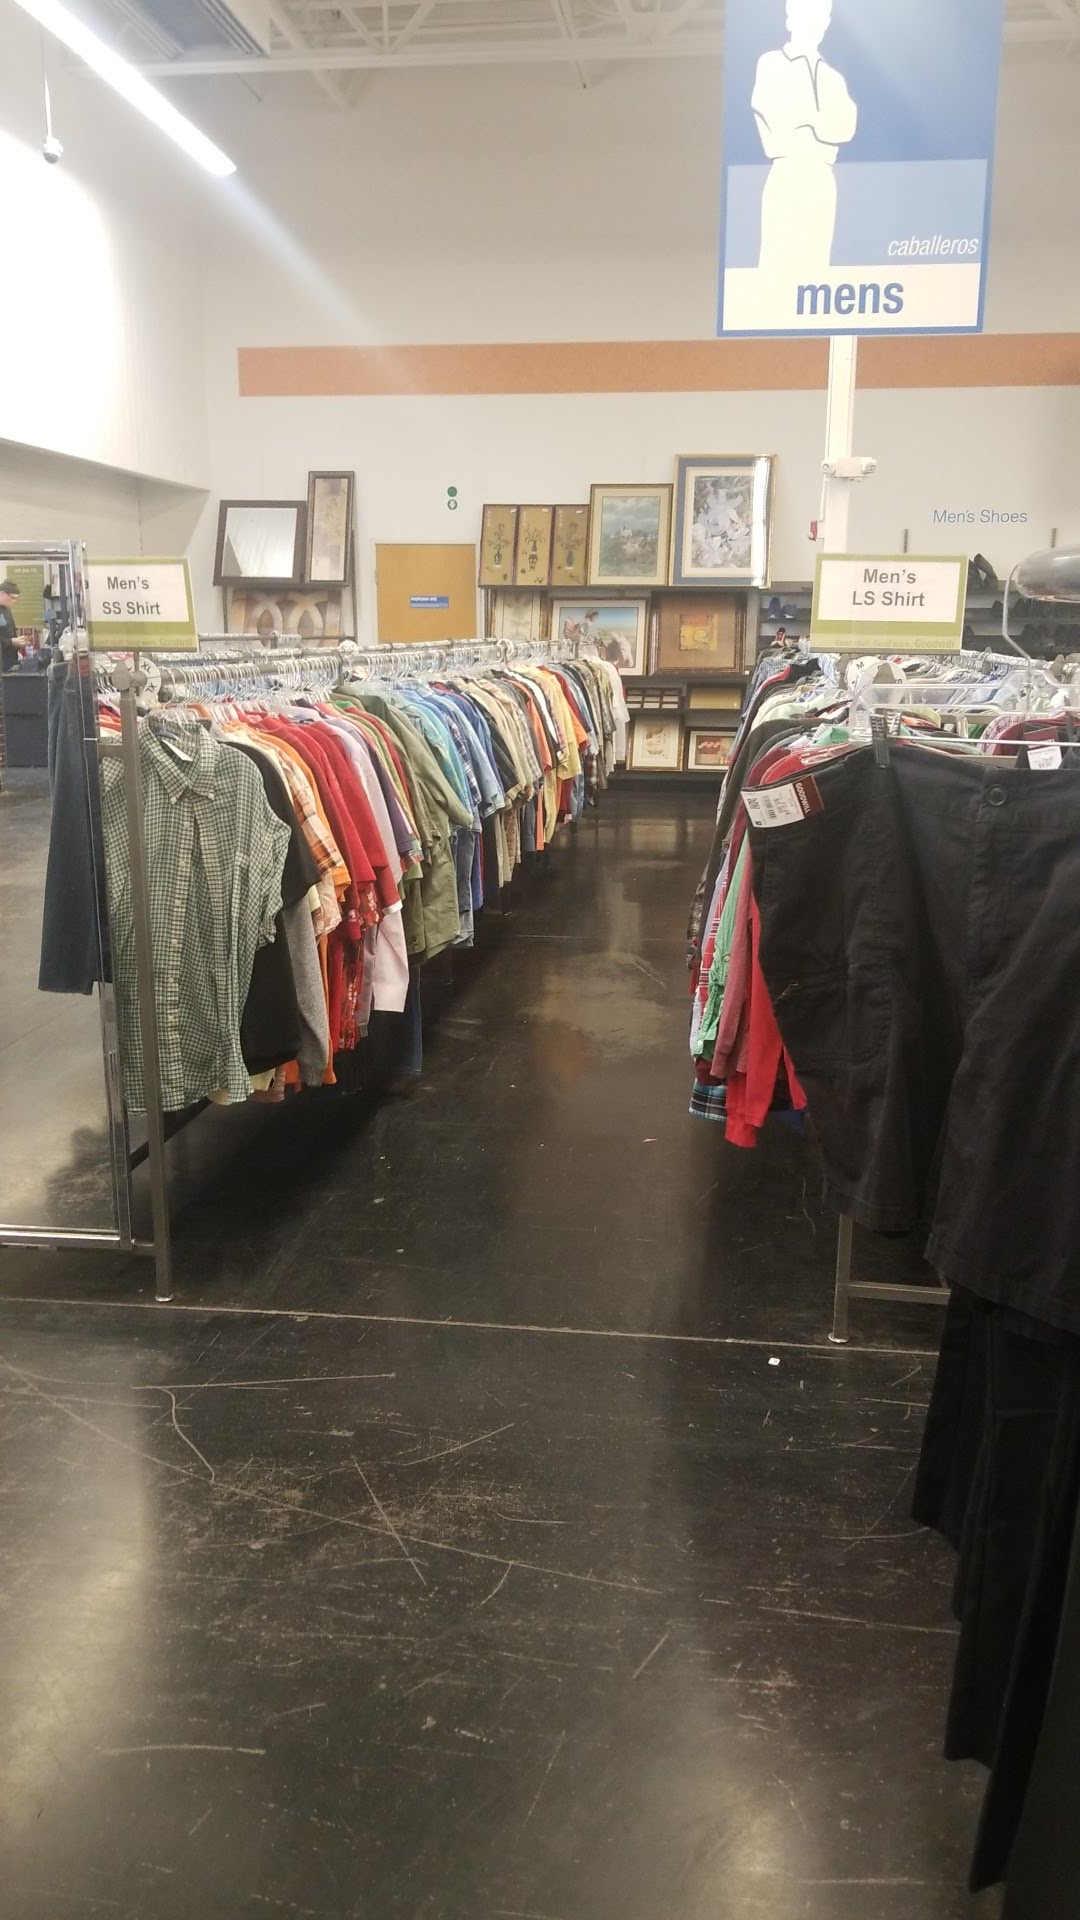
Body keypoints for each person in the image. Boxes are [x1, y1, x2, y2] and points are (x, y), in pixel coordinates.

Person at [752, 0, 858, 275]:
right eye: (808, 16)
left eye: (823, 17)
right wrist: (820, 122)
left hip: (822, 176)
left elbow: (846, 126)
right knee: (777, 261)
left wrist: (808, 120)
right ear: (790, 19)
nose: (816, 23)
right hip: (787, 172)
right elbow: (773, 115)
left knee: (816, 263)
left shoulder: (833, 78)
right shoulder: (771, 63)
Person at [0, 579, 21, 673]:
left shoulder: (7, 611)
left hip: (9, 663)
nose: (14, 601)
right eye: (12, 598)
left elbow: (10, 632)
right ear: (2, 594)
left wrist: (18, 642)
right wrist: (11, 642)